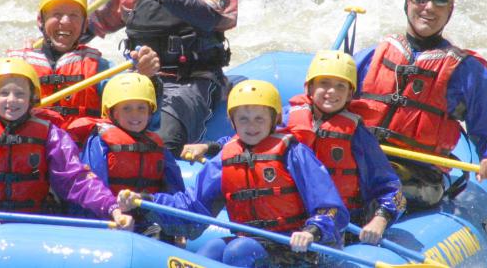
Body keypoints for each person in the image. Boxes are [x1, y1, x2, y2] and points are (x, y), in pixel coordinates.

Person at [119, 80, 349, 267]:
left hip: (299, 247)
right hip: (253, 241)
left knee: (240, 251)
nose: (251, 126)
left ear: (275, 120)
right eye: (243, 119)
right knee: (211, 250)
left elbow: (329, 206)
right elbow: (191, 208)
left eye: (259, 118)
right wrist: (146, 201)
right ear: (232, 121)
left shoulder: (294, 153)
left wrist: (312, 231)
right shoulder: (225, 159)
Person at [347, 0, 487, 211]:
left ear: (450, 10)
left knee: (377, 189)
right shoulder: (372, 56)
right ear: (407, 3)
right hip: (361, 159)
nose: (429, 7)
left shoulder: (465, 71)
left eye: (440, 0)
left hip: (418, 175)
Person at [0, 57, 133, 233]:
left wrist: (112, 207)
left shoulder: (51, 136)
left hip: (33, 220)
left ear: (32, 98)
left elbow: (76, 179)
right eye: (4, 93)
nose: (12, 100)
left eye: (20, 94)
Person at [0, 0, 160, 133]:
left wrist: (145, 77)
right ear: (40, 20)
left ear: (84, 23)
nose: (65, 21)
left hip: (80, 165)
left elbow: (143, 117)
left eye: (74, 16)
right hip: (31, 162)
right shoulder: (17, 65)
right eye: (56, 15)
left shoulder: (100, 68)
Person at [88, 0, 238, 157]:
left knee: (162, 144)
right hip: (139, 75)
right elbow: (92, 20)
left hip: (190, 80)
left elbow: (211, 16)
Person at [284, 50, 405, 245]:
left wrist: (380, 219)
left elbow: (392, 189)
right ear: (309, 87)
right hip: (292, 220)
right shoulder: (286, 119)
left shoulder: (357, 135)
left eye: (340, 86)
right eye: (324, 83)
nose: (331, 92)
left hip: (339, 224)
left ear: (350, 93)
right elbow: (249, 136)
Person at [69, 73, 186, 242]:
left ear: (150, 112)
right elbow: (91, 186)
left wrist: (177, 226)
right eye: (126, 108)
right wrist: (111, 216)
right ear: (112, 112)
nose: (135, 115)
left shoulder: (157, 146)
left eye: (141, 108)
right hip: (110, 219)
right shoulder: (100, 143)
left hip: (147, 221)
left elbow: (175, 189)